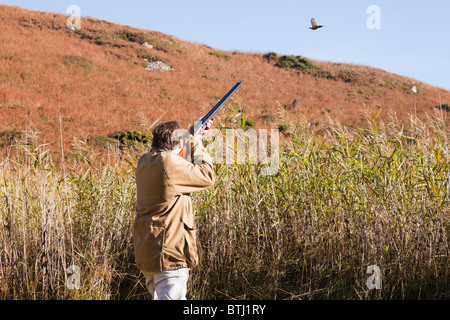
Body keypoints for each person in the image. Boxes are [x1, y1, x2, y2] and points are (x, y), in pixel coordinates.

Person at [133, 119, 215, 300]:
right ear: (179, 143)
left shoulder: (145, 161)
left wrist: (192, 134)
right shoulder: (169, 164)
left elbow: (175, 161)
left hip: (149, 253)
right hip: (169, 255)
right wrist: (195, 142)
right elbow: (207, 175)